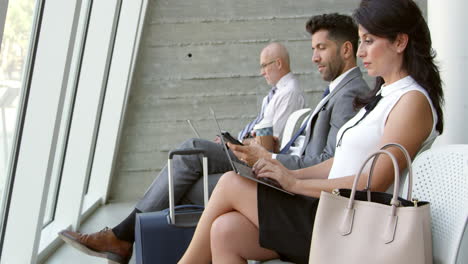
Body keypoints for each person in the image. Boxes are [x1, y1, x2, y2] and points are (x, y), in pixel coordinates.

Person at [178, 1, 444, 263]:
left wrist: (296, 184)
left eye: (369, 41)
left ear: (400, 42)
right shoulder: (384, 94)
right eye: (361, 41)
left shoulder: (411, 100)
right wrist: (289, 174)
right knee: (226, 230)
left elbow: (372, 182)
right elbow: (338, 163)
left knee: (230, 183)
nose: (361, 52)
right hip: (331, 210)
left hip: (351, 224)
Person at [58, 42, 305, 264]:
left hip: (258, 160)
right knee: (189, 180)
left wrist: (240, 144)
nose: (262, 71)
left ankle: (123, 236)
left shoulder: (289, 93)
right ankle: (126, 239)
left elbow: (269, 144)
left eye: (265, 66)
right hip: (245, 151)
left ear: (279, 63)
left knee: (190, 150)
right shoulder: (274, 95)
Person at [227, 13, 369, 171]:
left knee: (202, 155)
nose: (314, 58)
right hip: (286, 170)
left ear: (346, 50)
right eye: (314, 49)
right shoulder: (336, 90)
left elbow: (330, 164)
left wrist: (269, 158)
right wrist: (277, 151)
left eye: (322, 48)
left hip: (296, 183)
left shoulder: (351, 93)